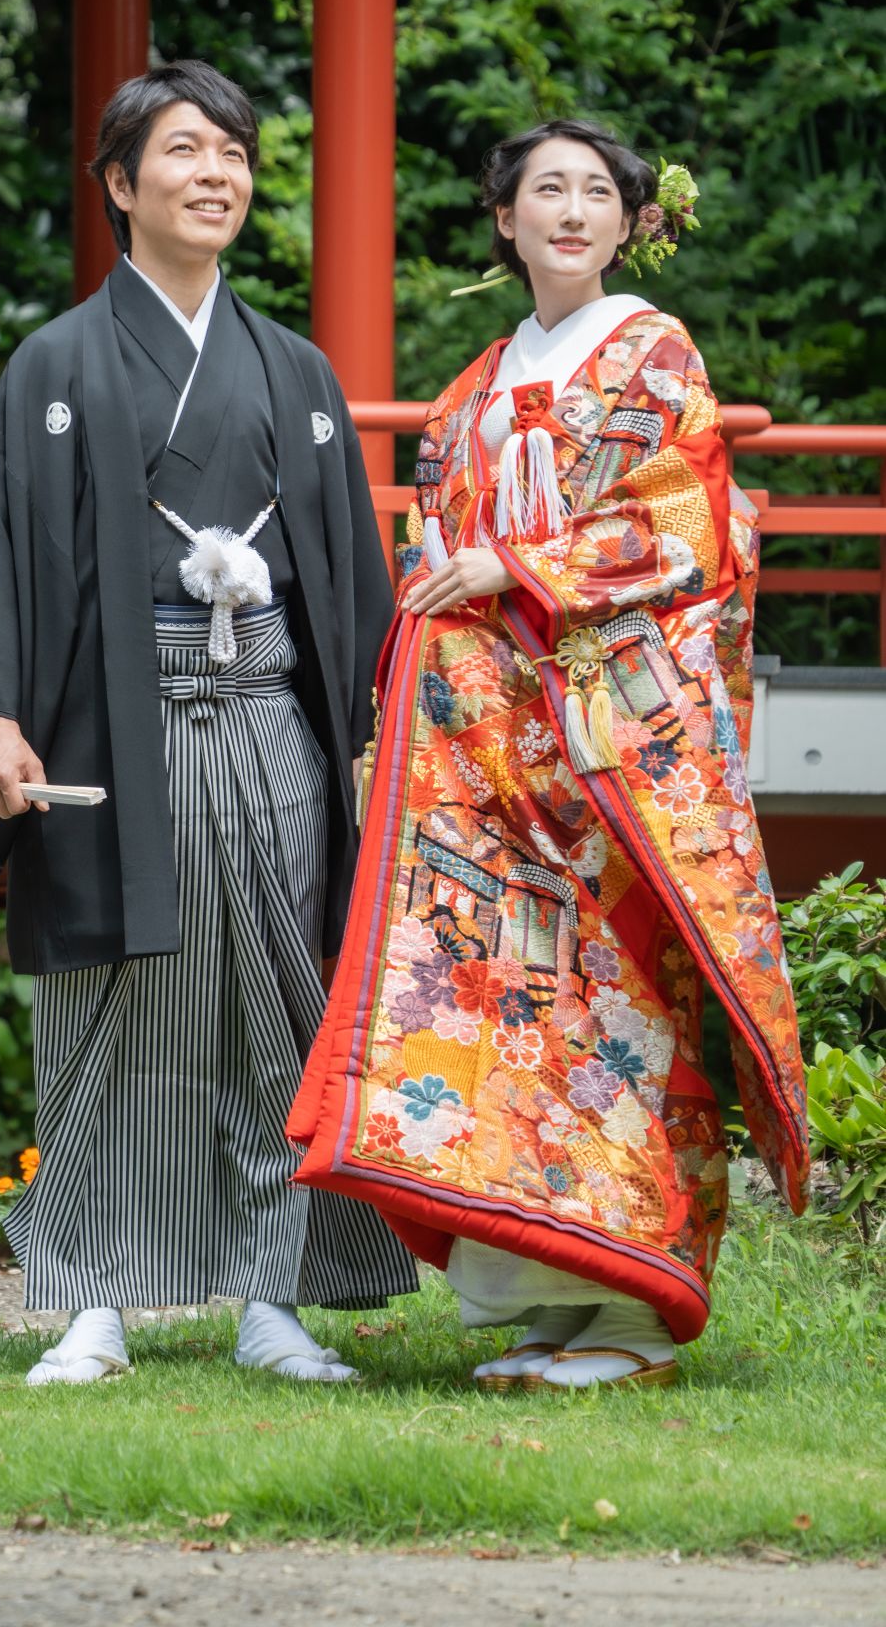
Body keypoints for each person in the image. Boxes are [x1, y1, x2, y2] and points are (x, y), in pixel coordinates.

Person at [0, 59, 416, 1384]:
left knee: (285, 991)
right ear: (120, 182)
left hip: (268, 724)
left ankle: (275, 1300)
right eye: (183, 151)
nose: (216, 173)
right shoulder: (57, 363)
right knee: (108, 1000)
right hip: (114, 734)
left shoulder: (292, 373)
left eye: (234, 153)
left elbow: (347, 582)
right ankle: (94, 1298)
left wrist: (373, 735)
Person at [287, 119, 809, 1390]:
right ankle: (548, 1301)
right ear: (504, 221)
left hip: (613, 749)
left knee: (624, 1002)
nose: (569, 211)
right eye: (544, 192)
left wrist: (519, 568)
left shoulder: (652, 353)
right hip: (495, 763)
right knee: (505, 1005)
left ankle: (631, 1317)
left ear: (627, 222)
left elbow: (684, 519)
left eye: (594, 193)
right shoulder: (465, 391)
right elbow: (433, 549)